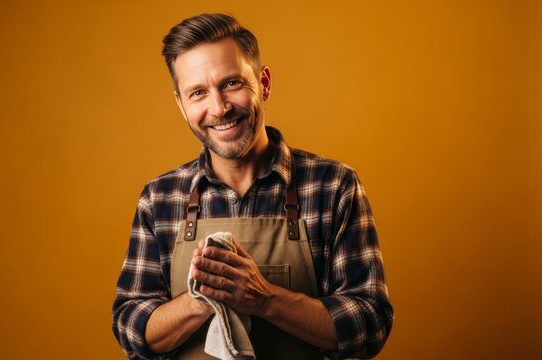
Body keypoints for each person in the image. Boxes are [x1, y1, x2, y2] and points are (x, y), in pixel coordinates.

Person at [112, 13, 393, 360]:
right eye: (198, 93)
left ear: (264, 83)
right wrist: (202, 298)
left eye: (232, 83)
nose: (219, 107)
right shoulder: (160, 199)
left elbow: (370, 324)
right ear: (181, 106)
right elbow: (131, 331)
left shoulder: (333, 186)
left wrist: (264, 299)